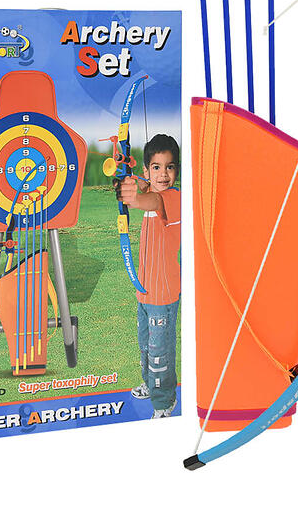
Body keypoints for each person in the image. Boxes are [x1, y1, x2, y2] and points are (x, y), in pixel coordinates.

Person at [116, 134, 180, 418]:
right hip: (144, 290)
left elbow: (150, 200)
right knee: (146, 345)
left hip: (162, 295)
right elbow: (142, 186)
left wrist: (132, 196)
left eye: (170, 167)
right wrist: (125, 175)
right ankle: (151, 384)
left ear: (176, 171)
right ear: (146, 170)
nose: (163, 174)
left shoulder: (172, 198)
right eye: (156, 167)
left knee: (159, 352)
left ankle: (164, 403)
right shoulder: (149, 186)